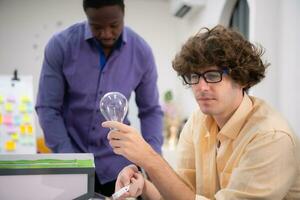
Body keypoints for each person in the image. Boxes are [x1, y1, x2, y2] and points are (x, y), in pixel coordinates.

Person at [102, 25, 300, 199]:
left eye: (212, 75)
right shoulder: (199, 121)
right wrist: (142, 184)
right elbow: (178, 193)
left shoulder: (270, 137)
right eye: (194, 76)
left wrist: (150, 159)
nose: (201, 87)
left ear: (242, 78)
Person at [35, 0, 163, 197]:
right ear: (87, 16)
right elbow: (48, 107)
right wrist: (71, 161)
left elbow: (150, 110)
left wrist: (152, 160)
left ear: (123, 14)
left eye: (114, 25)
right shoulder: (61, 45)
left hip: (120, 167)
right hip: (72, 160)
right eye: (97, 27)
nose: (106, 33)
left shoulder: (141, 51)